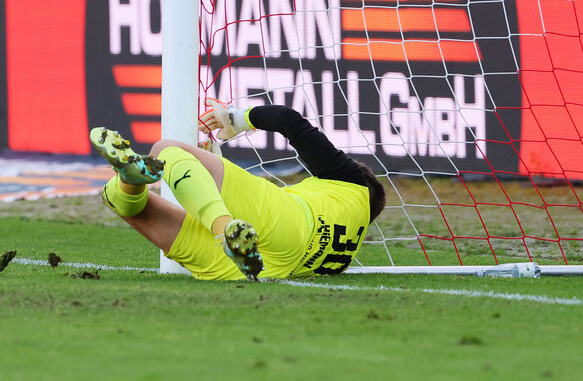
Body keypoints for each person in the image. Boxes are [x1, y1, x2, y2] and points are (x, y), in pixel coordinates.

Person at [90, 102, 386, 281]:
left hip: (289, 221)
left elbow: (287, 119)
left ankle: (221, 228)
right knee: (124, 201)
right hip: (254, 270)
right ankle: (130, 179)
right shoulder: (345, 254)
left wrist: (235, 120)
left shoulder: (351, 181)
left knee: (164, 150)